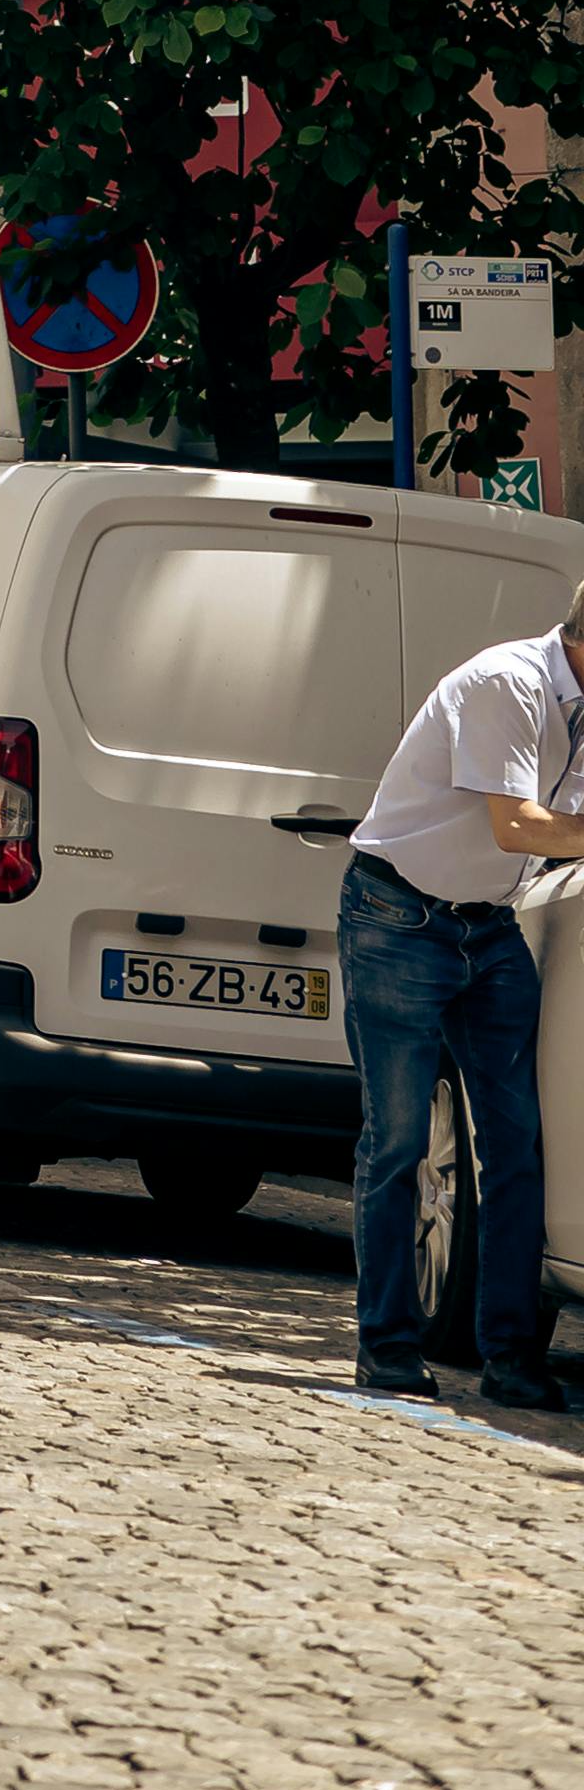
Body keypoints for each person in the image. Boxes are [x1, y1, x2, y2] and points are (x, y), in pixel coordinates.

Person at [340, 571, 584, 1406]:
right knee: (400, 1141)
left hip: (491, 923)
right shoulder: (507, 684)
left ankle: (512, 1359)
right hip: (397, 915)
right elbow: (517, 823)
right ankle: (389, 1350)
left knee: (516, 1145)